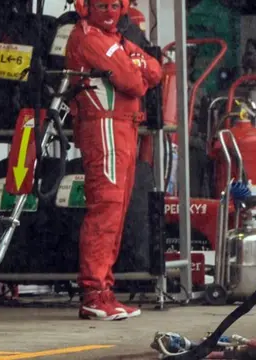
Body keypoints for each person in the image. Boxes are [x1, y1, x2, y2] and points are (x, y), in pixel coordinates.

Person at [66, 0, 162, 321]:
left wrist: (135, 67)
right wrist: (135, 69)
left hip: (122, 128)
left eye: (114, 5)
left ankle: (104, 292)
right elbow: (136, 82)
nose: (110, 12)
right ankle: (94, 294)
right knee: (106, 209)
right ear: (85, 7)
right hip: (103, 127)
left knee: (117, 211)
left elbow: (156, 70)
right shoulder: (90, 38)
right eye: (102, 5)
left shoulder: (116, 39)